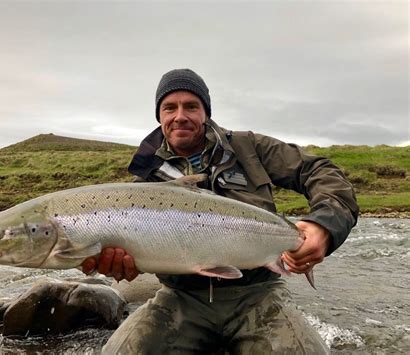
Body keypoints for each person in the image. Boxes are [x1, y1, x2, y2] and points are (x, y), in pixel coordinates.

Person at [81, 68, 359, 354]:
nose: (180, 116)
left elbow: (318, 170)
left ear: (206, 112)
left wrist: (323, 226)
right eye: (169, 107)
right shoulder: (145, 179)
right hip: (180, 298)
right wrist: (119, 265)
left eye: (191, 106)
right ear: (159, 115)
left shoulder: (249, 147)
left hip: (258, 295)